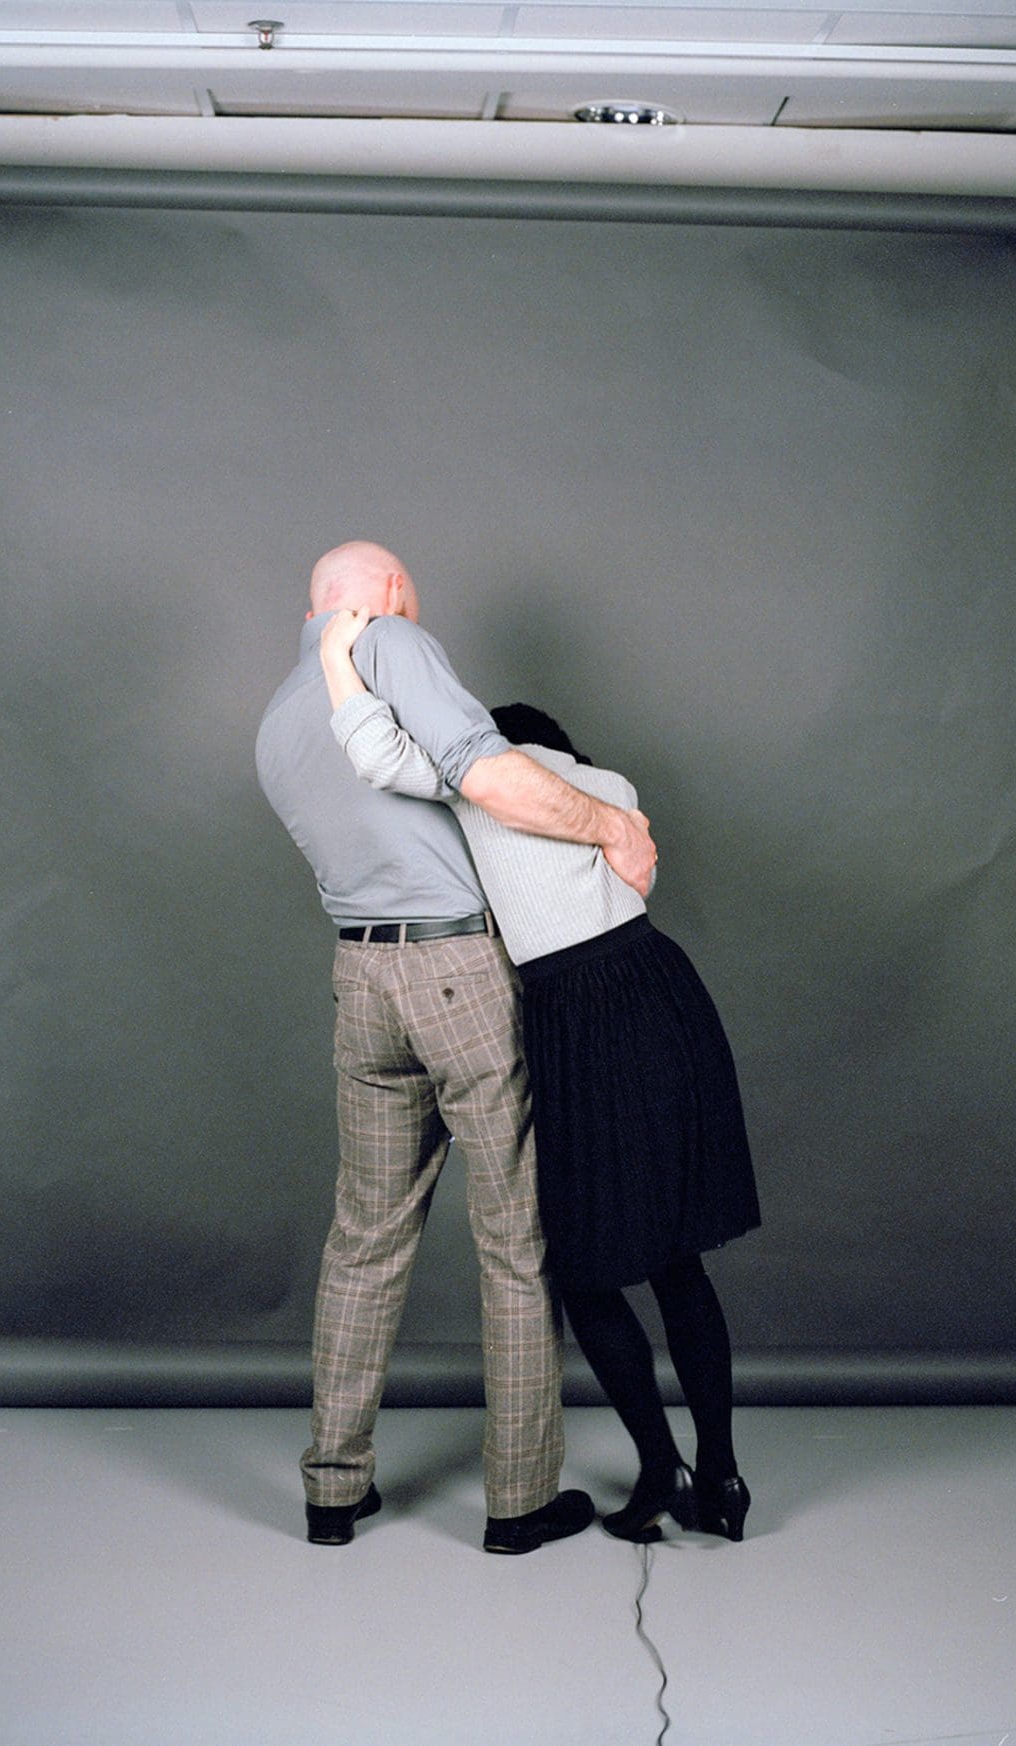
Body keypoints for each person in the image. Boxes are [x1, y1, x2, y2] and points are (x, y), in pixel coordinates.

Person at [320, 606, 761, 1544]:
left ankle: (659, 1471)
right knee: (676, 1260)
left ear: (494, 743)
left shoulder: (474, 783)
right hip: (659, 991)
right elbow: (630, 880)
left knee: (584, 1268)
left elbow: (375, 751)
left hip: (571, 1015)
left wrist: (335, 653)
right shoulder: (611, 786)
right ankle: (721, 1478)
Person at [254, 540, 656, 1553]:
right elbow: (490, 776)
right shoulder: (391, 643)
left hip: (359, 978)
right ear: (389, 591)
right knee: (514, 1241)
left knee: (363, 1239)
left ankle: (333, 1489)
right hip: (458, 971)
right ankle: (518, 1503)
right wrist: (611, 826)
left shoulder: (275, 719)